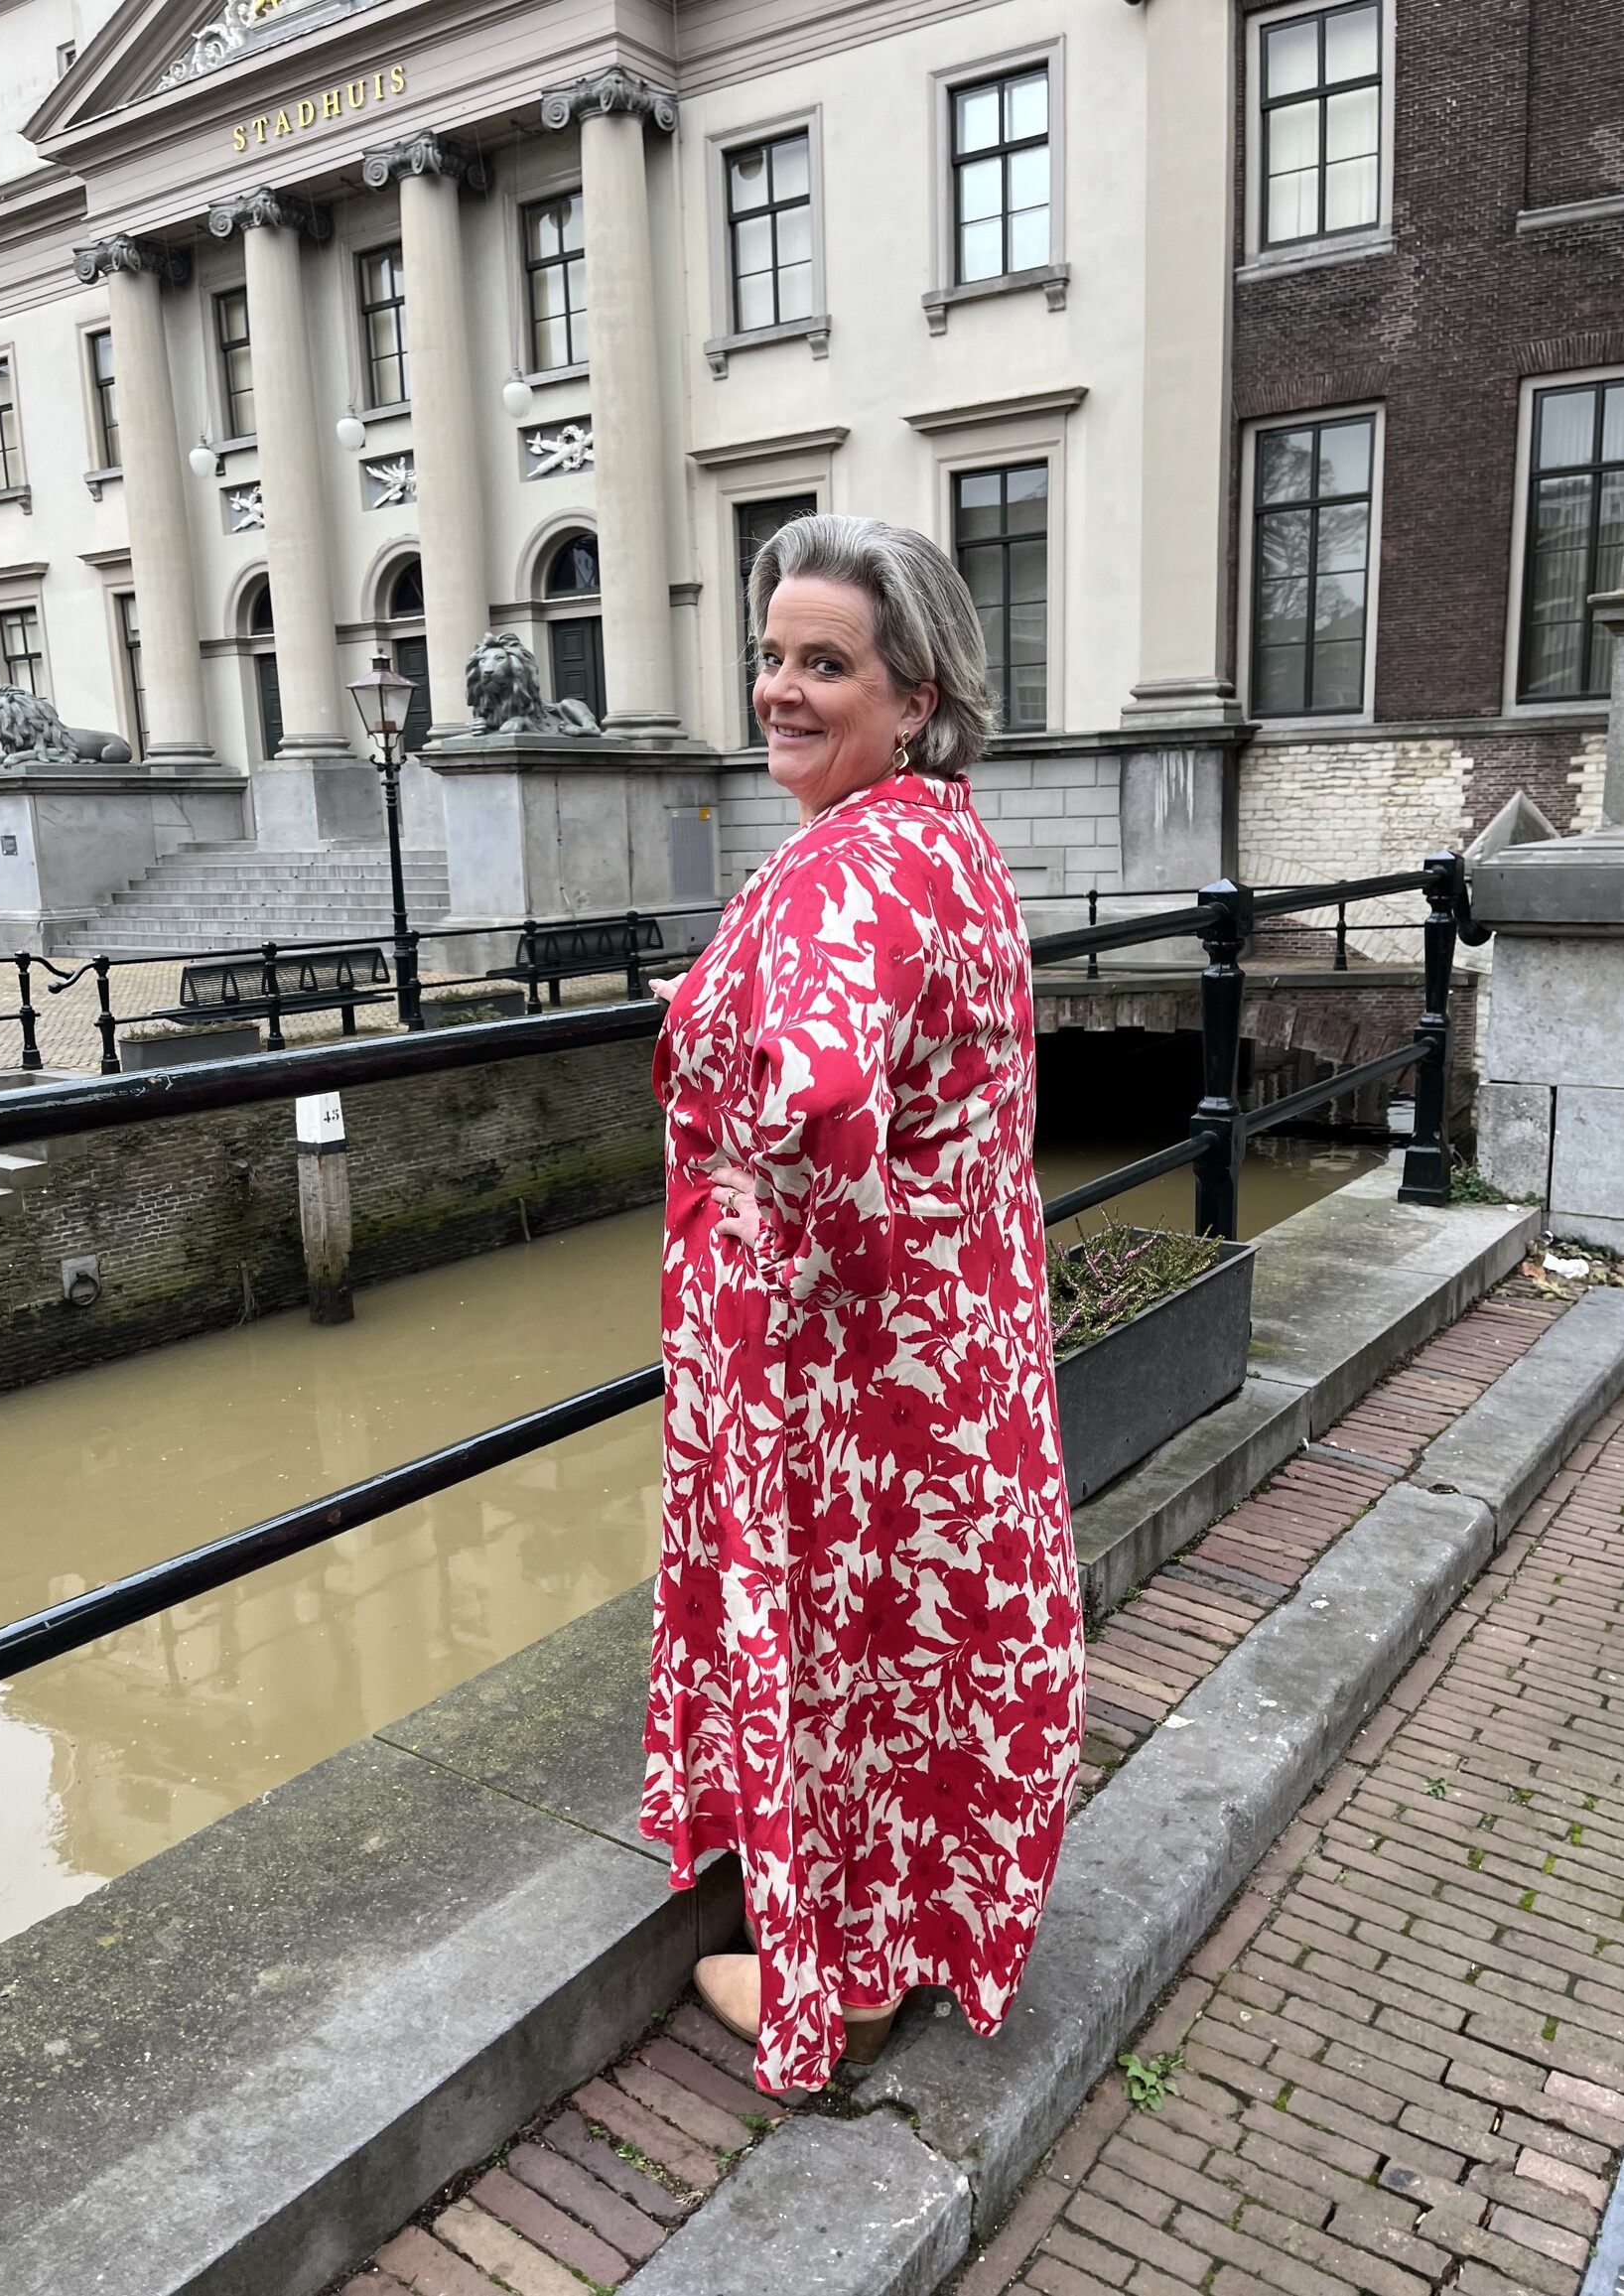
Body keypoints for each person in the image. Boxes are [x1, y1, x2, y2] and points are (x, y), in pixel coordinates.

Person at [641, 513, 1086, 2096]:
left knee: (839, 1659)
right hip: (958, 1354)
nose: (780, 686)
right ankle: (895, 1947)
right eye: (771, 654)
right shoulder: (943, 839)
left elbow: (818, 1100)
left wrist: (799, 1254)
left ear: (916, 696)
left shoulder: (849, 863)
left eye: (824, 662)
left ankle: (833, 1985)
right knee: (913, 1659)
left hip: (851, 1379)